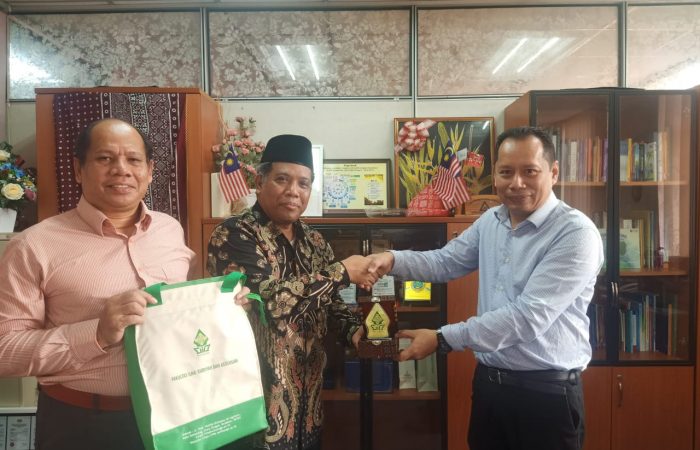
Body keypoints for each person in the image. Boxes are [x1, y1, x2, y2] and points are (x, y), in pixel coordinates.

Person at [368, 126, 604, 450]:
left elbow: (527, 318)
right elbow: (445, 261)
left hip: (546, 396)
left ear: (553, 172)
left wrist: (441, 338)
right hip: (490, 386)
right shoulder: (491, 220)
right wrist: (390, 260)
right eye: (506, 172)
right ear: (495, 176)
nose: (516, 183)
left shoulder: (575, 234)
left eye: (530, 171)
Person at [0, 118, 200, 450]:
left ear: (150, 171)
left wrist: (222, 308)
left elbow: (184, 309)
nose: (121, 170)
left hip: (175, 414)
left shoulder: (169, 230)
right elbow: (5, 352)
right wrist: (97, 333)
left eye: (133, 159)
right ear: (78, 170)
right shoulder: (33, 246)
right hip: (83, 424)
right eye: (105, 158)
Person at [208, 134, 377, 450]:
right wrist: (341, 272)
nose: (293, 191)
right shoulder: (235, 234)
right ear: (259, 181)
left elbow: (331, 303)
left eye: (303, 183)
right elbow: (269, 301)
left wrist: (356, 332)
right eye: (282, 179)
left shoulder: (315, 241)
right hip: (253, 409)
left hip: (308, 409)